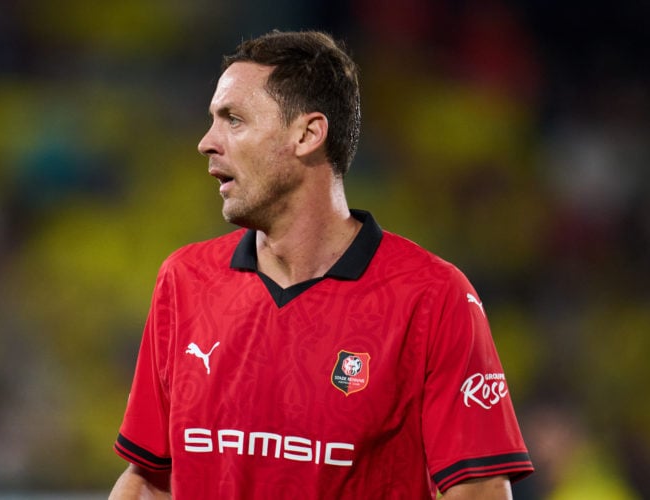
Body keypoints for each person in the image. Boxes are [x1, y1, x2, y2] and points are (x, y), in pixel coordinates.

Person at [109, 30, 533, 499]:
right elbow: (149, 480)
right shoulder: (185, 280)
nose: (206, 142)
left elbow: (479, 488)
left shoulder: (431, 295)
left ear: (308, 134)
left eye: (233, 120)